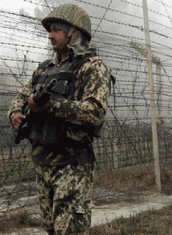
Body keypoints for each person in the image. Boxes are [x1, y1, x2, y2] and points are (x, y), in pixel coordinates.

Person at [8, 4, 113, 234]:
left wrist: (51, 106)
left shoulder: (93, 67)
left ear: (74, 33)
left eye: (56, 29)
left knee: (70, 230)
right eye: (50, 29)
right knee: (51, 229)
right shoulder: (44, 70)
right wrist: (15, 113)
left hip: (72, 165)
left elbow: (95, 112)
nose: (50, 35)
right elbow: (21, 97)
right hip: (44, 163)